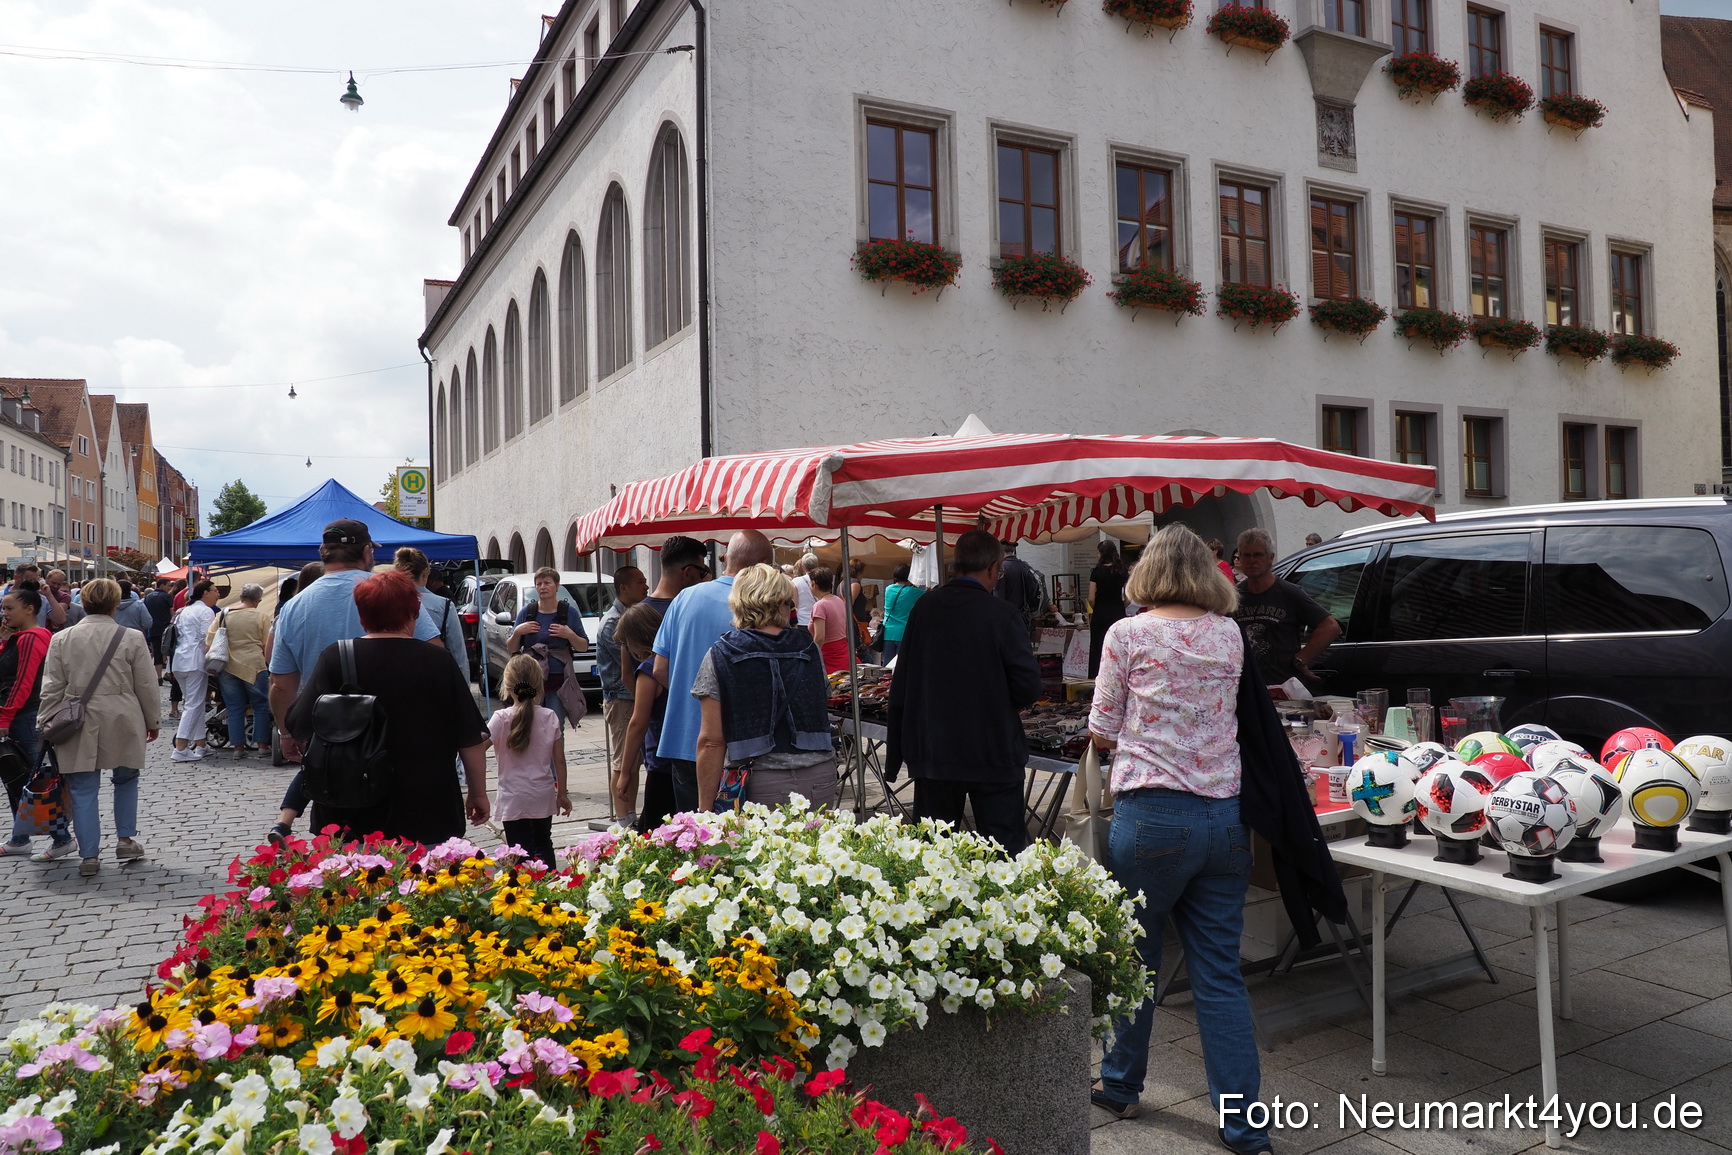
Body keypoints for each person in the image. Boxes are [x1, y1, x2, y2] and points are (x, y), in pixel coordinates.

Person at [1084, 524, 1268, 1148]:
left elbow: (1103, 724)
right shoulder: (1229, 634)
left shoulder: (1127, 634)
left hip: (1152, 816)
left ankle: (1120, 1085)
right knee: (1219, 974)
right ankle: (1245, 1127)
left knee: (1135, 959)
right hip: (1224, 817)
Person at [285, 570, 489, 845]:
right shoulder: (438, 661)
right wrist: (477, 792)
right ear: (413, 613)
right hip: (426, 809)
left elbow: (299, 722)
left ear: (362, 615)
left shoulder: (337, 657)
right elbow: (469, 738)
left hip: (351, 809)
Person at [885, 530, 1042, 854]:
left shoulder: (924, 608)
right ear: (993, 568)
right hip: (992, 751)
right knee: (1004, 860)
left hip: (934, 752)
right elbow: (1028, 688)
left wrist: (897, 755)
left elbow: (901, 683)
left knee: (935, 860)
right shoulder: (1002, 615)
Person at [11, 579, 158, 876]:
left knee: (82, 788)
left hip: (77, 716)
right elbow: (146, 683)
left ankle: (90, 854)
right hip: (123, 714)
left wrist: (45, 722)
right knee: (126, 778)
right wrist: (152, 720)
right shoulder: (130, 637)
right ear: (115, 603)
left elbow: (51, 687)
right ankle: (125, 839)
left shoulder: (62, 638)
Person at [268, 520, 442, 763]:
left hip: (329, 737)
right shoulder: (392, 592)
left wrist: (286, 733)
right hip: (396, 730)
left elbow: (281, 685)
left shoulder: (293, 607)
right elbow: (434, 655)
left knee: (332, 797)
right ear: (367, 551)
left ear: (323, 554)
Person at [692, 563, 838, 811]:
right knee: (816, 848)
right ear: (781, 602)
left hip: (758, 781)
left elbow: (711, 742)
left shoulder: (722, 653)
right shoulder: (808, 647)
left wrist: (704, 810)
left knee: (758, 850)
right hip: (819, 775)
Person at [653, 529, 774, 811]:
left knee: (694, 840)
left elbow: (660, 670)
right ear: (763, 563)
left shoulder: (684, 598)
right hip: (737, 744)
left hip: (683, 736)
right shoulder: (757, 606)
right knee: (740, 845)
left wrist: (692, 696)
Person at [1231, 527, 1341, 688]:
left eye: (1258, 555)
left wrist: (1302, 659)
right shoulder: (1233, 597)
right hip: (1246, 686)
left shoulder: (1289, 593)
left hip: (1283, 687)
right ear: (1239, 558)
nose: (1252, 560)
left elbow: (1330, 627)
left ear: (1270, 558)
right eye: (1246, 555)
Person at [490, 653, 569, 868]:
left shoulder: (501, 718)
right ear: (540, 683)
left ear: (507, 686)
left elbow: (478, 748)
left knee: (518, 851)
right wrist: (562, 793)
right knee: (543, 844)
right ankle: (551, 889)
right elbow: (559, 761)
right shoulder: (550, 716)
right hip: (541, 794)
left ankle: (524, 895)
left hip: (513, 797)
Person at [0, 586, 53, 855]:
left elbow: (23, 681)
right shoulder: (22, 637)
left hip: (24, 715)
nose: (4, 613)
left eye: (9, 608)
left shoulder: (32, 637)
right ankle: (21, 838)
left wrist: (6, 715)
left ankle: (60, 837)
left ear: (30, 609)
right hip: (22, 713)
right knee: (19, 779)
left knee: (31, 780)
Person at [504, 566, 591, 726]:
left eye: (547, 583)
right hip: (531, 678)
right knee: (531, 724)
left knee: (555, 725)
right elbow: (511, 648)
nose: (542, 587)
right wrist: (517, 632)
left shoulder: (568, 612)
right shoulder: (527, 612)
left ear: (557, 586)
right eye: (539, 584)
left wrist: (569, 634)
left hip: (558, 679)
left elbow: (583, 646)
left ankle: (557, 752)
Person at [595, 565, 647, 821]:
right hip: (622, 699)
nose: (646, 586)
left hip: (629, 696)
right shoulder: (614, 622)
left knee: (633, 761)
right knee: (623, 761)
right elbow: (635, 661)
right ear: (623, 588)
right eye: (640, 582)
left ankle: (631, 815)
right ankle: (624, 820)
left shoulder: (629, 615)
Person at [613, 602, 669, 831]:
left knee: (654, 831)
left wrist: (625, 772)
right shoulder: (676, 659)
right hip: (684, 757)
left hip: (661, 760)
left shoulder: (648, 670)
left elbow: (638, 722)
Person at [210, 584, 272, 759]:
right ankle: (262, 745)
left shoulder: (223, 614)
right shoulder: (261, 616)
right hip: (254, 665)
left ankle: (237, 748)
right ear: (257, 599)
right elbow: (267, 643)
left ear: (242, 597)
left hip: (228, 665)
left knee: (234, 707)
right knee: (260, 705)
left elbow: (210, 640)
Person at [394, 548, 468, 679]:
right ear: (425, 574)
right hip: (434, 678)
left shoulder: (386, 601)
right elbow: (458, 653)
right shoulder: (444, 605)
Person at [169, 579, 219, 762]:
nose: (218, 593)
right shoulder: (205, 611)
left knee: (193, 702)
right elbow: (208, 640)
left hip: (180, 660)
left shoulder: (184, 610)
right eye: (215, 590)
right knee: (194, 704)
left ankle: (201, 744)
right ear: (205, 592)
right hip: (194, 661)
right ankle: (181, 747)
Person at [1087, 540, 1128, 678]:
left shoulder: (1097, 572)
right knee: (1118, 647)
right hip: (1118, 613)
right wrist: (1120, 606)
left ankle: (1096, 677)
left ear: (1102, 554)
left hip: (1101, 613)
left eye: (1098, 552)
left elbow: (1091, 598)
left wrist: (1097, 607)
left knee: (1098, 646)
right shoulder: (1121, 571)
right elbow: (1128, 597)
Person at [993, 540, 1044, 637]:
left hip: (1006, 621)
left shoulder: (1001, 568)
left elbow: (998, 597)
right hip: (1024, 620)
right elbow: (1035, 591)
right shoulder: (1025, 567)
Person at [646, 536, 709, 615]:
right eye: (702, 573)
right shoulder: (692, 613)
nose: (702, 580)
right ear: (687, 573)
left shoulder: (636, 616)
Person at [807, 567, 850, 675]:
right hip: (843, 650)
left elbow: (820, 637)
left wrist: (812, 655)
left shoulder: (820, 605)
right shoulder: (838, 600)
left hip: (829, 655)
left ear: (814, 584)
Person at [878, 564, 920, 665]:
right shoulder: (913, 591)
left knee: (887, 668)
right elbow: (929, 595)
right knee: (902, 666)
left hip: (888, 632)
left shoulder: (888, 589)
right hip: (904, 633)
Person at [142, 578, 173, 677]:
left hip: (153, 628)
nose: (169, 588)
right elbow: (171, 612)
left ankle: (158, 676)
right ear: (162, 585)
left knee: (156, 652)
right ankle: (167, 672)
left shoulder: (148, 597)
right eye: (168, 585)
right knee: (167, 649)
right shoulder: (167, 597)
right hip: (165, 628)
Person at [848, 559, 873, 661]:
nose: (864, 574)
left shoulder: (842, 584)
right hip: (855, 626)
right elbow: (849, 604)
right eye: (862, 571)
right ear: (858, 571)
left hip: (852, 625)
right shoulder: (855, 584)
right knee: (866, 658)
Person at [790, 553, 819, 626]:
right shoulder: (822, 579)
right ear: (817, 565)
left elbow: (794, 604)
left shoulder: (796, 581)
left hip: (801, 621)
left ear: (803, 567)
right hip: (819, 619)